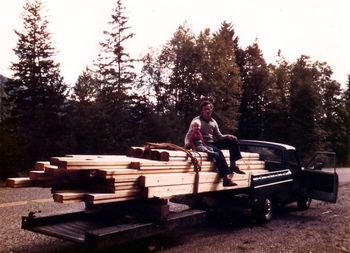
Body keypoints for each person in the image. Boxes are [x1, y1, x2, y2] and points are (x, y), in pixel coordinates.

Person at [185, 100, 245, 187]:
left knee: (233, 140)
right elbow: (188, 134)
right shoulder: (196, 121)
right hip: (202, 143)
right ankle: (225, 179)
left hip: (212, 143)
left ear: (211, 110)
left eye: (209, 109)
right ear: (202, 111)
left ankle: (233, 165)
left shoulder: (213, 121)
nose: (207, 111)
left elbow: (219, 136)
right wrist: (187, 143)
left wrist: (228, 136)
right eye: (205, 109)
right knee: (218, 153)